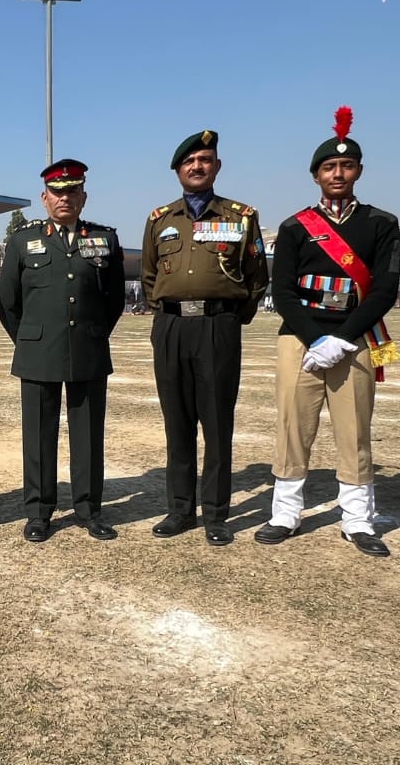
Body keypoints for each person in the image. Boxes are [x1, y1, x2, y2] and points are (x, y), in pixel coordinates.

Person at [253, 107, 400, 557]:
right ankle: (285, 512)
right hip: (300, 340)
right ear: (316, 175)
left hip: (354, 341)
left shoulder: (380, 224)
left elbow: (384, 290)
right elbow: (282, 290)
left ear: (358, 171)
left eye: (346, 165)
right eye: (329, 167)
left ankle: (357, 520)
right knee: (292, 427)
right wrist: (316, 338)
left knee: (354, 430)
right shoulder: (297, 226)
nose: (338, 173)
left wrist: (341, 338)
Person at [140, 130, 269, 546]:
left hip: (218, 328)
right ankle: (179, 509)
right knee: (176, 424)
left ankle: (216, 514)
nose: (197, 166)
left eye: (205, 159)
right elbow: (148, 276)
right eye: (189, 161)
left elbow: (256, 278)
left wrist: (230, 318)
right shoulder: (160, 219)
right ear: (178, 169)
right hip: (172, 327)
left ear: (217, 165)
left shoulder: (240, 217)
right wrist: (168, 315)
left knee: (216, 423)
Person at [0, 159, 124, 542]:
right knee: (38, 433)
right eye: (57, 192)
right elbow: (8, 301)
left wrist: (94, 333)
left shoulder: (105, 238)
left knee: (88, 434)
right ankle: (38, 512)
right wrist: (29, 337)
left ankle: (88, 509)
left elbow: (114, 298)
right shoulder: (23, 240)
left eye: (72, 191)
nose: (64, 197)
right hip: (38, 350)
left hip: (87, 347)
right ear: (44, 198)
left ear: (83, 196)